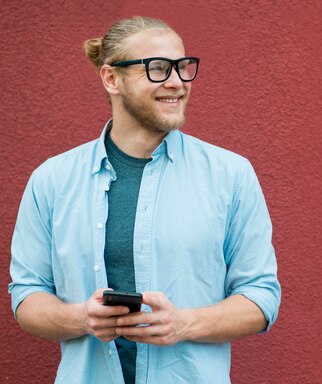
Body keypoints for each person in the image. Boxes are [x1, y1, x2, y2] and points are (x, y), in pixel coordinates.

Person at [8, 16, 280, 384]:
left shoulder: (231, 175)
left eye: (183, 67)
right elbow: (27, 296)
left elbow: (261, 298)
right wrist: (82, 318)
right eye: (157, 68)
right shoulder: (51, 180)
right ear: (111, 78)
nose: (177, 82)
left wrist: (183, 324)